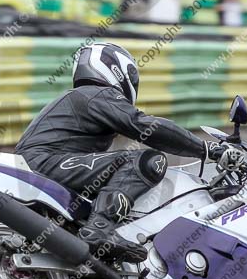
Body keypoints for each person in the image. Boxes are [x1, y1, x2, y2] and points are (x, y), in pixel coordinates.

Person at [15, 43, 220, 263]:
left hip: (42, 164)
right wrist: (205, 148)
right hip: (46, 162)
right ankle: (99, 229)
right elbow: (143, 125)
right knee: (148, 160)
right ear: (114, 68)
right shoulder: (96, 94)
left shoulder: (82, 98)